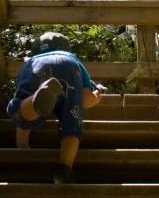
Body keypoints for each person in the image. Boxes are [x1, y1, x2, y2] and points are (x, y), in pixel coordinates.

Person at [6, 32, 106, 184]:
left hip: (34, 67)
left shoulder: (30, 61)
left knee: (22, 105)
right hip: (67, 65)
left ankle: (34, 102)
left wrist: (22, 145)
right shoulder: (72, 58)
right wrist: (96, 96)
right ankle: (64, 169)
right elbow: (85, 100)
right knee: (72, 118)